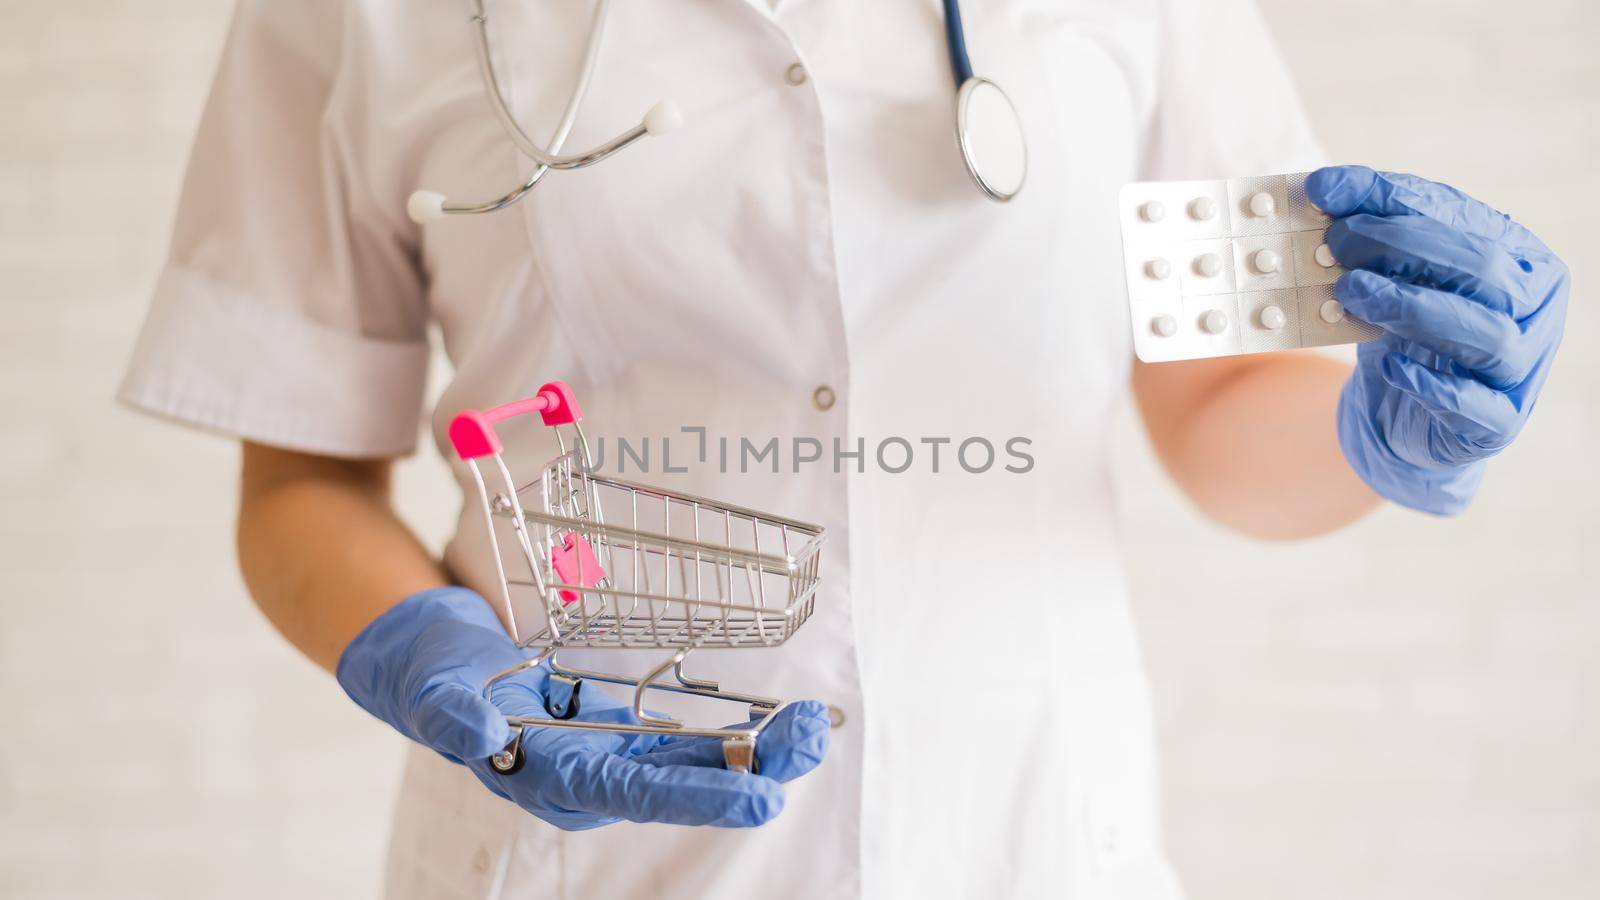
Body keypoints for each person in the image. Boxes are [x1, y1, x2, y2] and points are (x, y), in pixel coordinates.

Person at [120, 1, 1569, 898]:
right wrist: (430, 652)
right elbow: (301, 478)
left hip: (1029, 848)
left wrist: (1385, 435)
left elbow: (1215, 408)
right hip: (585, 871)